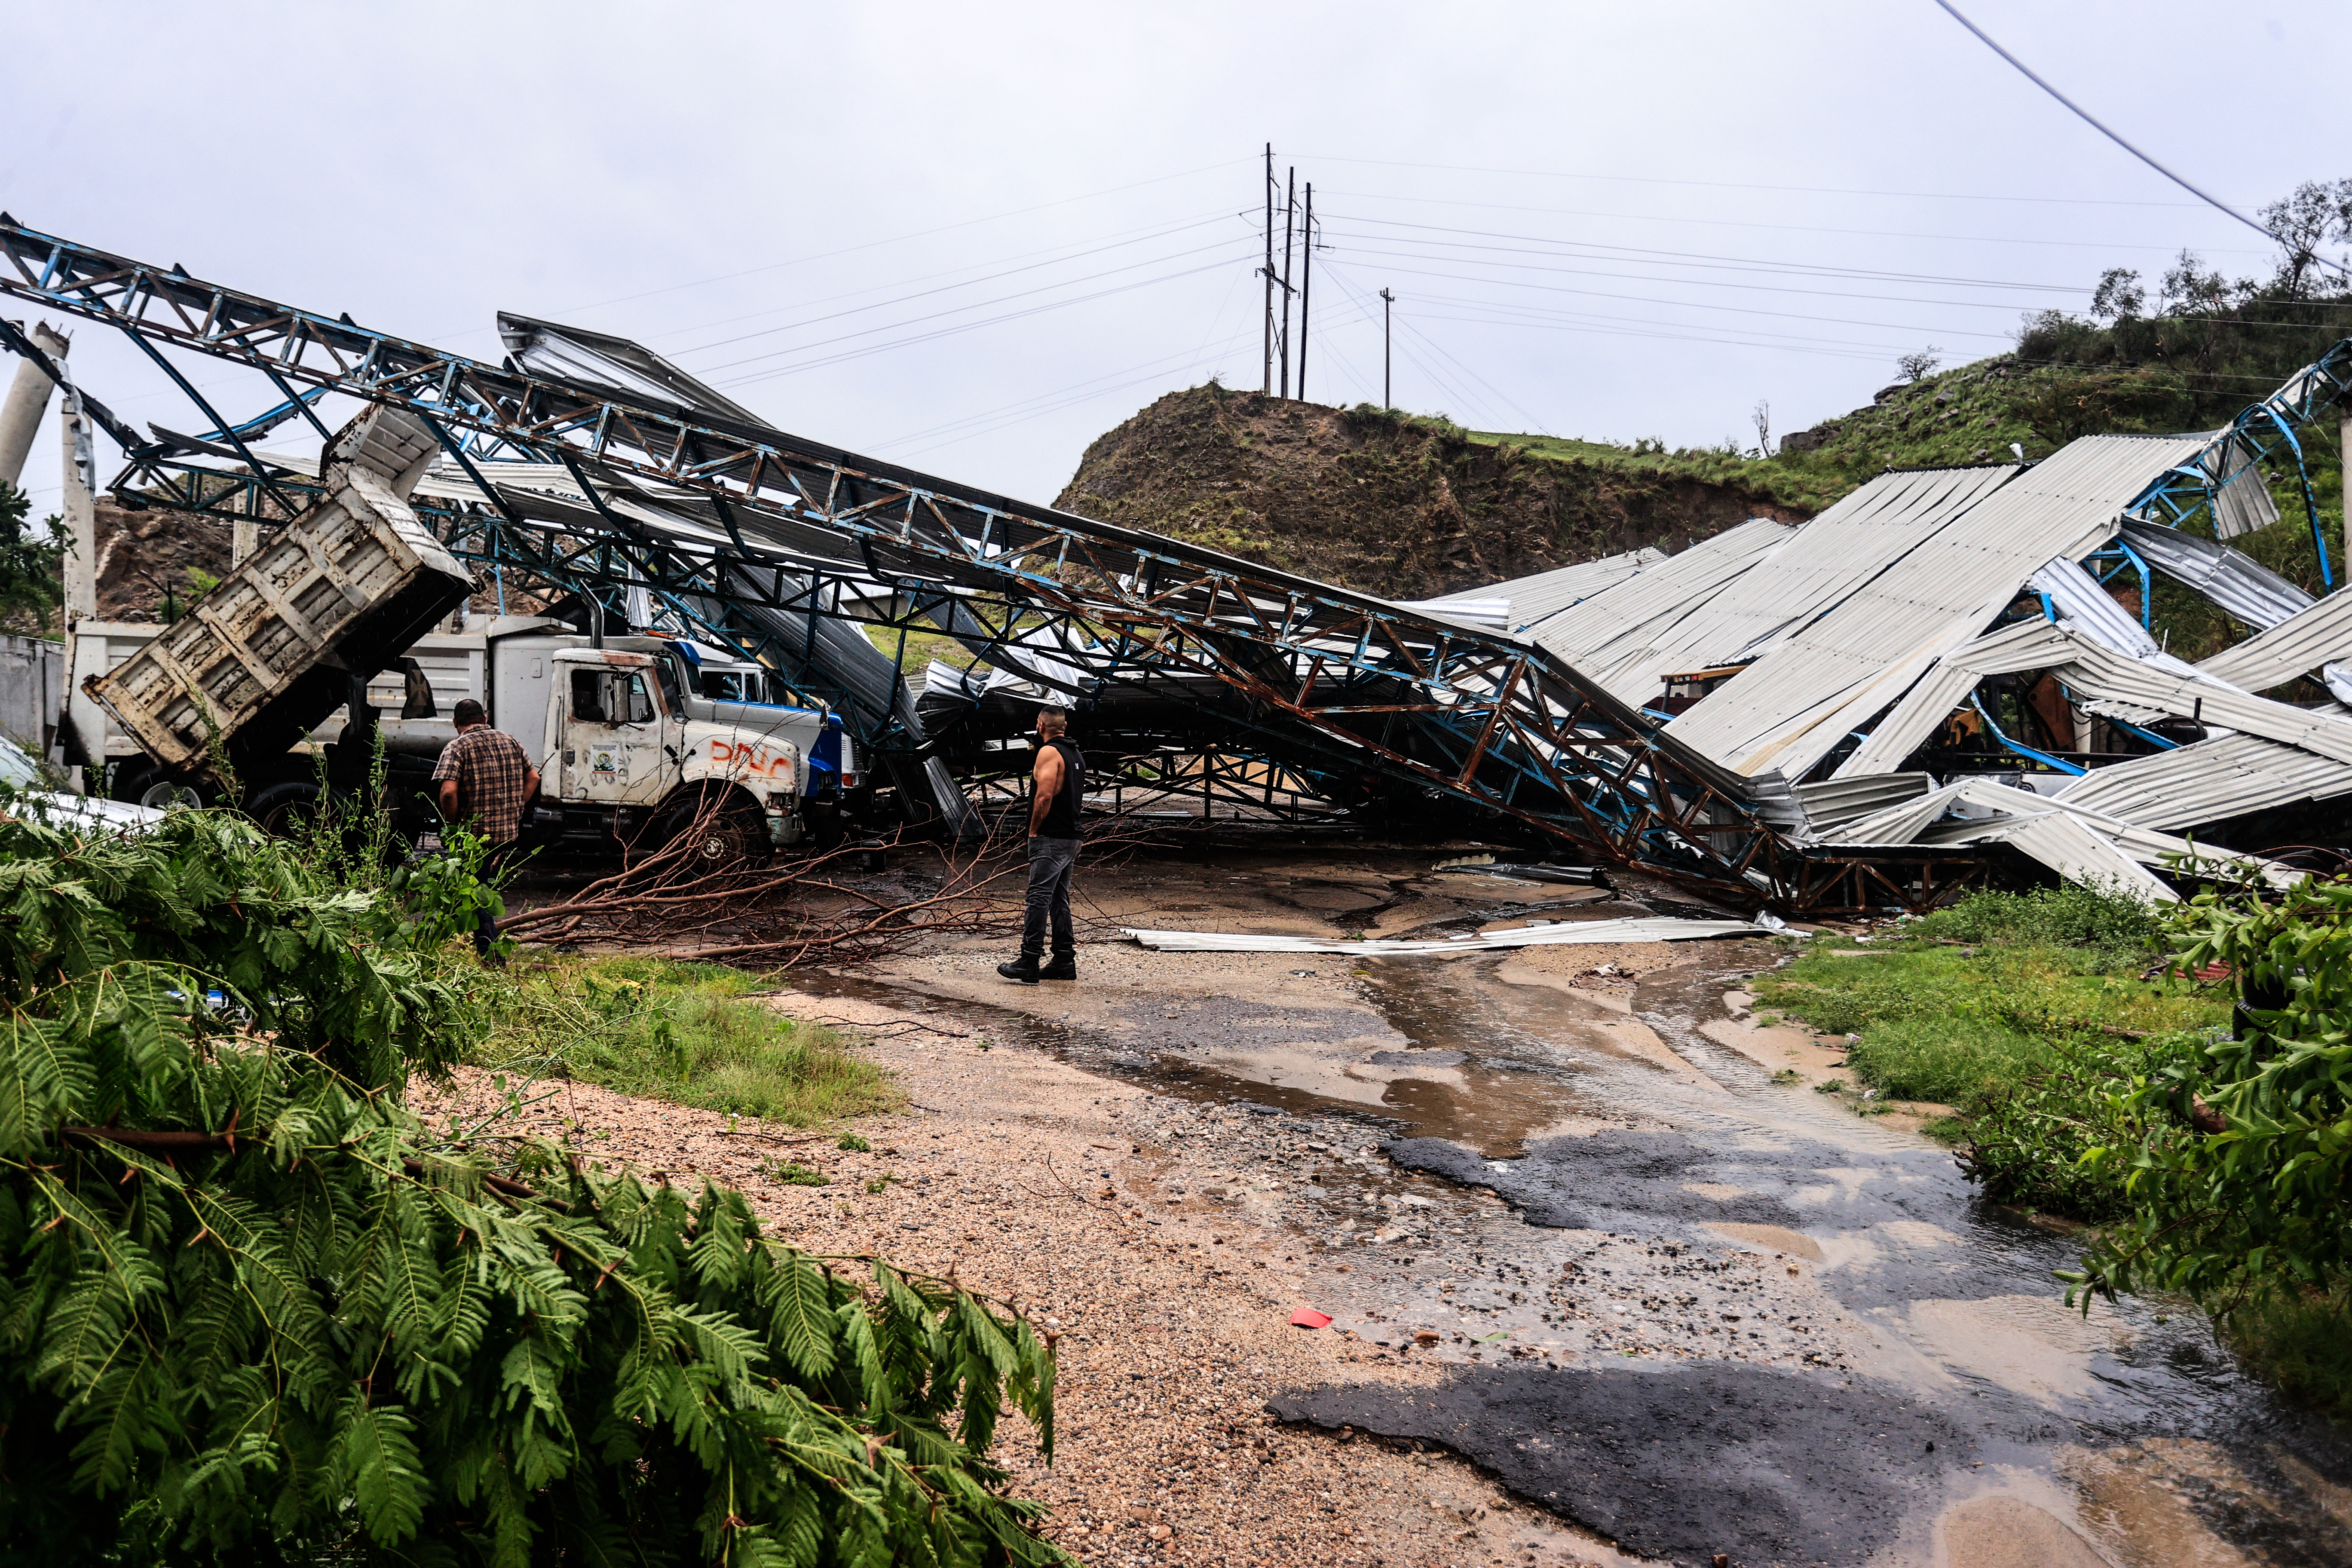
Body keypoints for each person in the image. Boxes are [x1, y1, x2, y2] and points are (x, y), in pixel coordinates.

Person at [431, 697, 539, 963]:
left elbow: (448, 793)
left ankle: (492, 958)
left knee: (474, 893)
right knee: (475, 887)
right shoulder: (510, 741)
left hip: (475, 835)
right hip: (506, 833)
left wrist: (453, 826)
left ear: (455, 722)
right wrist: (516, 806)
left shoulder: (457, 747)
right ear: (485, 718)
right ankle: (448, 942)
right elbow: (534, 778)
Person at [998, 706, 1084, 984]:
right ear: (1066, 726)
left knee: (1038, 898)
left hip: (1052, 837)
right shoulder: (1076, 754)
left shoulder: (1049, 752)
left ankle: (1029, 961)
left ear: (1040, 725)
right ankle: (1063, 961)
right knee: (1059, 899)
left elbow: (1044, 796)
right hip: (1071, 835)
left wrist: (1034, 831)